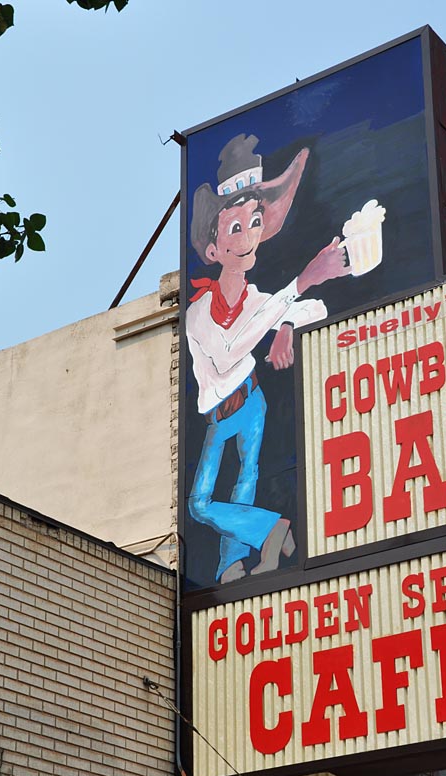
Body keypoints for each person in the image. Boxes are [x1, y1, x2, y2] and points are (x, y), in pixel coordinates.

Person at [186, 134, 350, 583]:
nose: (248, 237)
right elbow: (228, 351)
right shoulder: (197, 313)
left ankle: (231, 565)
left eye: (255, 222)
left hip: (252, 401)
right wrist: (300, 283)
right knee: (199, 504)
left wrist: (287, 324)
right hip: (219, 414)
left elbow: (314, 309)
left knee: (246, 484)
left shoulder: (260, 299)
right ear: (213, 249)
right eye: (235, 228)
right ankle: (273, 529)